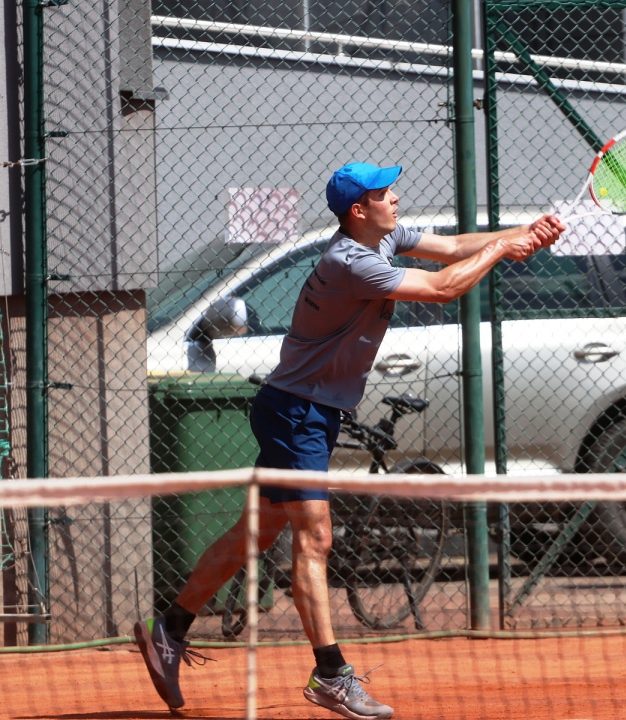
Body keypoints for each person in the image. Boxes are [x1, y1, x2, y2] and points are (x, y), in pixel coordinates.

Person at [134, 162, 565, 719]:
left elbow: (457, 245)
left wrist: (524, 232)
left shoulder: (384, 239)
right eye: (385, 194)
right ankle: (331, 675)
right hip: (298, 414)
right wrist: (506, 251)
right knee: (315, 540)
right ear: (359, 211)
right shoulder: (352, 261)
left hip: (307, 410)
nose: (397, 198)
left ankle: (168, 631)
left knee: (255, 534)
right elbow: (441, 287)